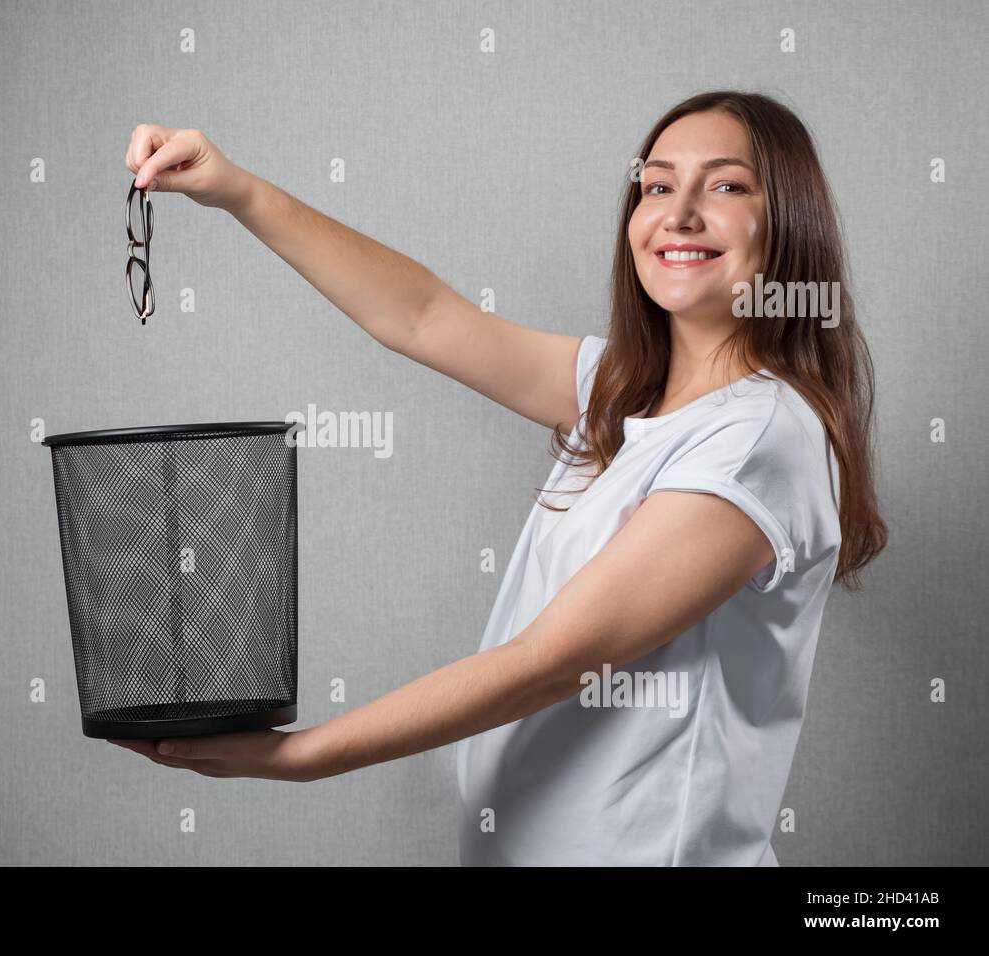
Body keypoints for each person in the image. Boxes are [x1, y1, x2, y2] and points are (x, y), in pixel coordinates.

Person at [108, 90, 887, 866]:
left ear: (786, 223)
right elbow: (422, 316)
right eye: (656, 185)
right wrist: (234, 188)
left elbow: (549, 662)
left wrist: (299, 757)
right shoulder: (621, 390)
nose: (678, 213)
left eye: (725, 186)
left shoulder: (761, 437)